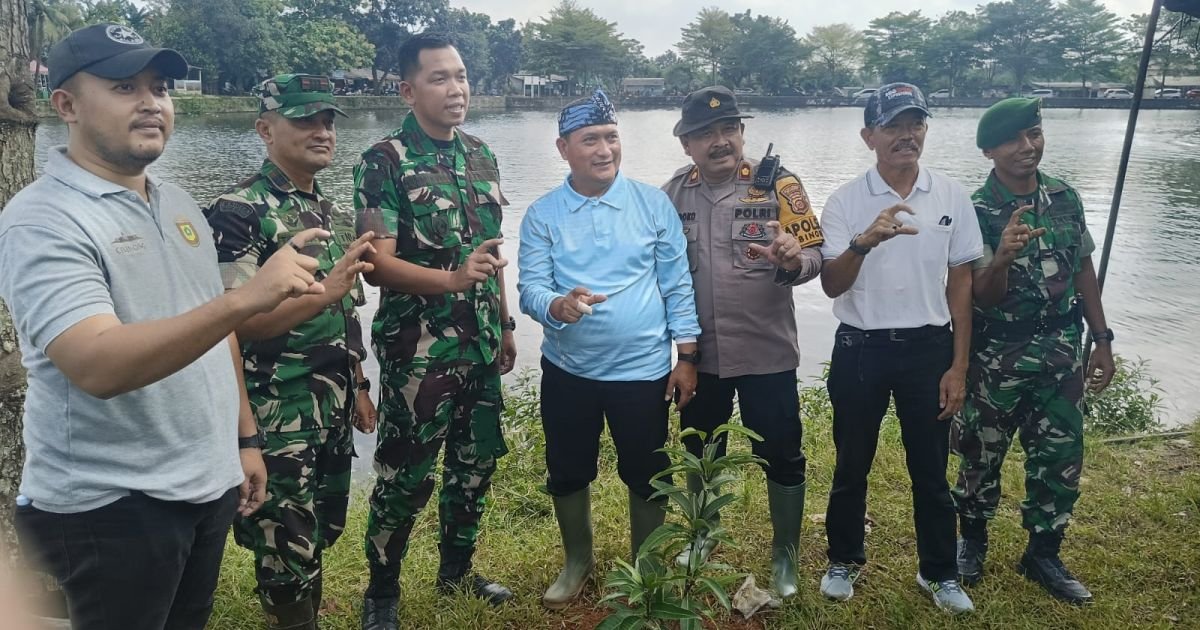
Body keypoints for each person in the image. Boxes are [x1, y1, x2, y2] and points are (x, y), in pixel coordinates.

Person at [0, 24, 328, 630]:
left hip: (203, 484)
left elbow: (214, 334)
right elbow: (96, 364)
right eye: (125, 86)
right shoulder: (43, 219)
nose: (152, 102)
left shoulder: (177, 202)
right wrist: (247, 299)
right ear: (66, 105)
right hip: (111, 505)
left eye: (161, 86)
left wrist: (245, 440)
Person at [202, 74, 378, 629]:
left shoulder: (331, 210)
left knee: (322, 528)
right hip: (276, 410)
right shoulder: (238, 211)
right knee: (284, 546)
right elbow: (234, 325)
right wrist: (244, 433)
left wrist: (361, 386)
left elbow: (344, 311)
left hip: (330, 403)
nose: (322, 131)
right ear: (264, 129)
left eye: (328, 121)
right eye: (305, 120)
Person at [353, 32, 517, 629]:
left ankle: (455, 574)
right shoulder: (383, 160)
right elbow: (375, 264)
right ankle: (382, 593)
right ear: (408, 88)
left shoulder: (481, 155)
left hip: (478, 344)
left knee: (475, 466)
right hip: (418, 350)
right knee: (404, 474)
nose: (457, 89)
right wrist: (452, 281)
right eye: (441, 78)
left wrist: (503, 321)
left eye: (462, 76)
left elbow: (490, 253)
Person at [518, 89, 701, 610]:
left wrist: (686, 357)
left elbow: (677, 285)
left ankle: (644, 566)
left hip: (642, 371)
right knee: (568, 469)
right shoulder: (543, 214)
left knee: (645, 472)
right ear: (564, 148)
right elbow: (531, 286)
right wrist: (557, 305)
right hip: (568, 370)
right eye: (590, 139)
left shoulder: (651, 203)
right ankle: (578, 559)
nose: (604, 150)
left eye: (611, 137)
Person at [817, 83, 981, 614]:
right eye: (893, 126)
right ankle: (843, 557)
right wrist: (865, 241)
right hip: (860, 348)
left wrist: (958, 364)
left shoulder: (952, 195)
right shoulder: (845, 201)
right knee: (852, 461)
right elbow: (831, 285)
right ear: (869, 136)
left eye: (915, 124)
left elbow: (961, 285)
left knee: (931, 469)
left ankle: (939, 571)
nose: (906, 135)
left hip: (928, 349)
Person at [661, 86, 824, 598]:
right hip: (700, 356)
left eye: (728, 129)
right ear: (686, 144)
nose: (719, 141)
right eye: (705, 134)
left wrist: (794, 259)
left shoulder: (780, 185)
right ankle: (704, 533)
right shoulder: (672, 195)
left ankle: (785, 555)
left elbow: (816, 256)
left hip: (765, 351)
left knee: (782, 452)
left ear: (742, 133)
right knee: (701, 446)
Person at [952, 97, 1115, 605]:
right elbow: (982, 295)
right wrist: (1001, 256)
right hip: (998, 353)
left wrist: (1102, 339)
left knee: (1060, 455)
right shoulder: (975, 210)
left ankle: (1044, 552)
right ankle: (972, 543)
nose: (1028, 147)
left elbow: (1084, 268)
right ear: (988, 151)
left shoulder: (1066, 196)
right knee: (981, 454)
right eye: (1014, 140)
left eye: (1035, 134)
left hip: (1061, 350)